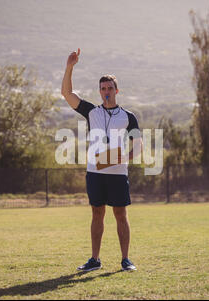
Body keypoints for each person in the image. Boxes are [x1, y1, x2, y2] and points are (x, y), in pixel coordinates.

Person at [61, 48, 142, 272]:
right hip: (95, 173)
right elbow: (67, 94)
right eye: (103, 88)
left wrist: (125, 157)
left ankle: (126, 260)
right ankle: (95, 260)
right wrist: (70, 67)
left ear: (117, 90)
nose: (106, 91)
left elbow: (138, 145)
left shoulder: (128, 116)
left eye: (110, 88)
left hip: (117, 173)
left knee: (120, 214)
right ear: (100, 91)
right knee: (97, 213)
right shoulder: (91, 112)